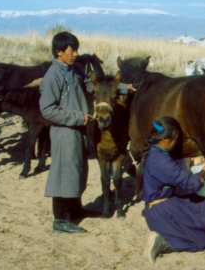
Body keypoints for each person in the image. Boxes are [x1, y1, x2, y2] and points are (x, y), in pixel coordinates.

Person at [39, 31, 135, 234]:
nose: (75, 54)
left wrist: (125, 87)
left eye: (76, 50)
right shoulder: (52, 76)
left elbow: (96, 86)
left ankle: (75, 210)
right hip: (65, 131)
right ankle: (60, 220)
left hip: (78, 130)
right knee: (64, 174)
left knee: (77, 171)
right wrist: (77, 117)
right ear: (59, 52)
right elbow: (47, 109)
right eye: (71, 50)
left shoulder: (74, 70)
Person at [139, 116, 205, 263]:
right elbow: (192, 184)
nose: (176, 143)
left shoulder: (155, 151)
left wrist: (196, 160)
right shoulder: (161, 161)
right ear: (165, 140)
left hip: (161, 205)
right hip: (162, 213)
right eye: (175, 139)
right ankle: (162, 242)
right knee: (201, 241)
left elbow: (175, 166)